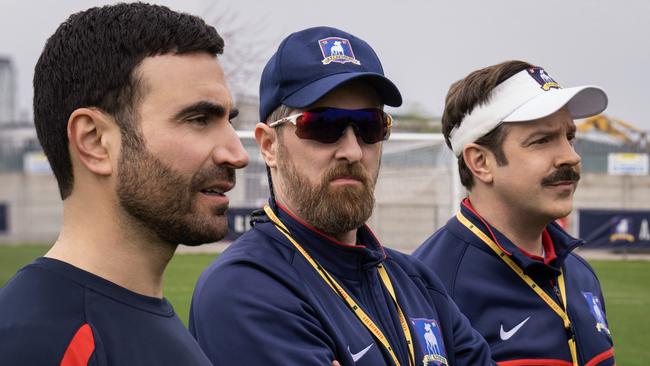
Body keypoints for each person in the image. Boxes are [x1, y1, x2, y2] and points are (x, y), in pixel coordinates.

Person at [190, 26, 493, 366]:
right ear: (269, 145)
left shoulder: (416, 282)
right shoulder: (243, 289)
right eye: (323, 125)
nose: (352, 150)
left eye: (370, 126)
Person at [0, 3, 248, 365]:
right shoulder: (46, 344)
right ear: (95, 141)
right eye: (199, 119)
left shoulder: (143, 314)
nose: (236, 153)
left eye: (228, 120)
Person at [413, 60, 615, 365]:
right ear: (480, 162)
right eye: (542, 140)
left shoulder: (579, 272)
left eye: (569, 137)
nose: (570, 156)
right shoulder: (427, 288)